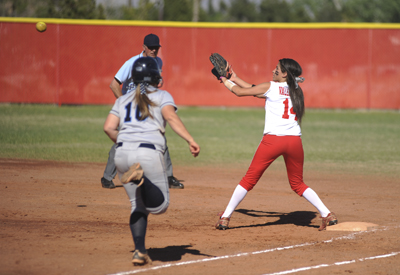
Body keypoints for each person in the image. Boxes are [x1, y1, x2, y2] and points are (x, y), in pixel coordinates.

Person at [215, 58, 337, 231]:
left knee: (249, 180)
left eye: (277, 69)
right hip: (294, 141)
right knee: (298, 184)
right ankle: (327, 214)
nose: (274, 70)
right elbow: (254, 90)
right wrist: (234, 77)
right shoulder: (297, 90)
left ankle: (225, 217)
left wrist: (223, 80)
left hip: (273, 141)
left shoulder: (271, 86)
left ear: (285, 73)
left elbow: (240, 93)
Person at [103, 57, 200, 266]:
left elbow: (108, 128)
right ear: (156, 77)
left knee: (137, 205)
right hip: (148, 153)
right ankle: (142, 180)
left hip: (121, 153)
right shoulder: (162, 95)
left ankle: (139, 250)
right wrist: (190, 140)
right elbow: (171, 118)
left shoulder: (122, 99)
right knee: (161, 205)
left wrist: (124, 141)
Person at [101, 33, 184, 190]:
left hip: (147, 105)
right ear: (143, 48)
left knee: (159, 136)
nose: (154, 51)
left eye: (156, 48)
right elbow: (114, 84)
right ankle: (107, 177)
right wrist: (123, 104)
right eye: (151, 48)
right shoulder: (131, 63)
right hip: (130, 106)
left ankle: (168, 176)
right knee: (125, 139)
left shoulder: (157, 61)